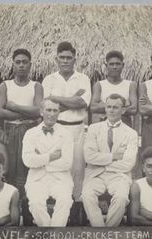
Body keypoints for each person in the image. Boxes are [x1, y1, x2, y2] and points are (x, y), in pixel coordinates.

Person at [42, 41, 91, 220]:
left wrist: (56, 99)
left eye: (68, 58)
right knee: (56, 169)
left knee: (78, 171)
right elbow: (47, 105)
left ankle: (77, 216)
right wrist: (69, 99)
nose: (65, 61)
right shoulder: (49, 79)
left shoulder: (83, 78)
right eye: (61, 57)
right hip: (57, 128)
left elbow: (82, 103)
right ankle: (57, 214)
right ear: (56, 59)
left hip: (77, 129)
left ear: (74, 59)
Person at [0, 48, 43, 226]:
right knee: (10, 173)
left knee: (28, 173)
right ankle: (11, 219)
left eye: (25, 62)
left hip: (29, 132)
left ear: (30, 65)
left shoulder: (36, 86)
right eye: (18, 62)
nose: (21, 65)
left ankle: (29, 218)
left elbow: (39, 110)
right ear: (13, 64)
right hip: (10, 133)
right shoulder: (5, 85)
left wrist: (13, 106)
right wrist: (25, 113)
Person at [82, 94, 138, 227]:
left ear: (123, 110)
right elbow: (89, 156)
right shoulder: (93, 129)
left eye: (115, 107)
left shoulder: (131, 133)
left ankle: (109, 231)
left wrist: (101, 162)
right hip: (95, 175)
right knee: (86, 195)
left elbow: (128, 164)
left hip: (119, 176)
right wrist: (113, 157)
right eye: (109, 107)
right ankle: (99, 230)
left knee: (121, 197)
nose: (111, 110)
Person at [22, 99, 74, 226]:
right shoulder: (31, 133)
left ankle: (55, 235)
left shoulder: (66, 134)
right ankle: (47, 233)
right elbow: (28, 160)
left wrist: (40, 159)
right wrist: (51, 157)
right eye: (48, 110)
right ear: (41, 112)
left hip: (61, 179)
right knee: (35, 202)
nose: (51, 114)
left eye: (55, 110)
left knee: (65, 200)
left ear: (59, 113)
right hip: (37, 179)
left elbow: (67, 162)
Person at [90, 50, 137, 126]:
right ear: (106, 65)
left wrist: (105, 106)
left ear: (123, 65)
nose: (114, 67)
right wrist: (122, 108)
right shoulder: (99, 85)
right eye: (111, 64)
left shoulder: (131, 85)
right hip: (104, 126)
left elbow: (134, 109)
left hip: (124, 126)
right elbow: (93, 107)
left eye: (117, 64)